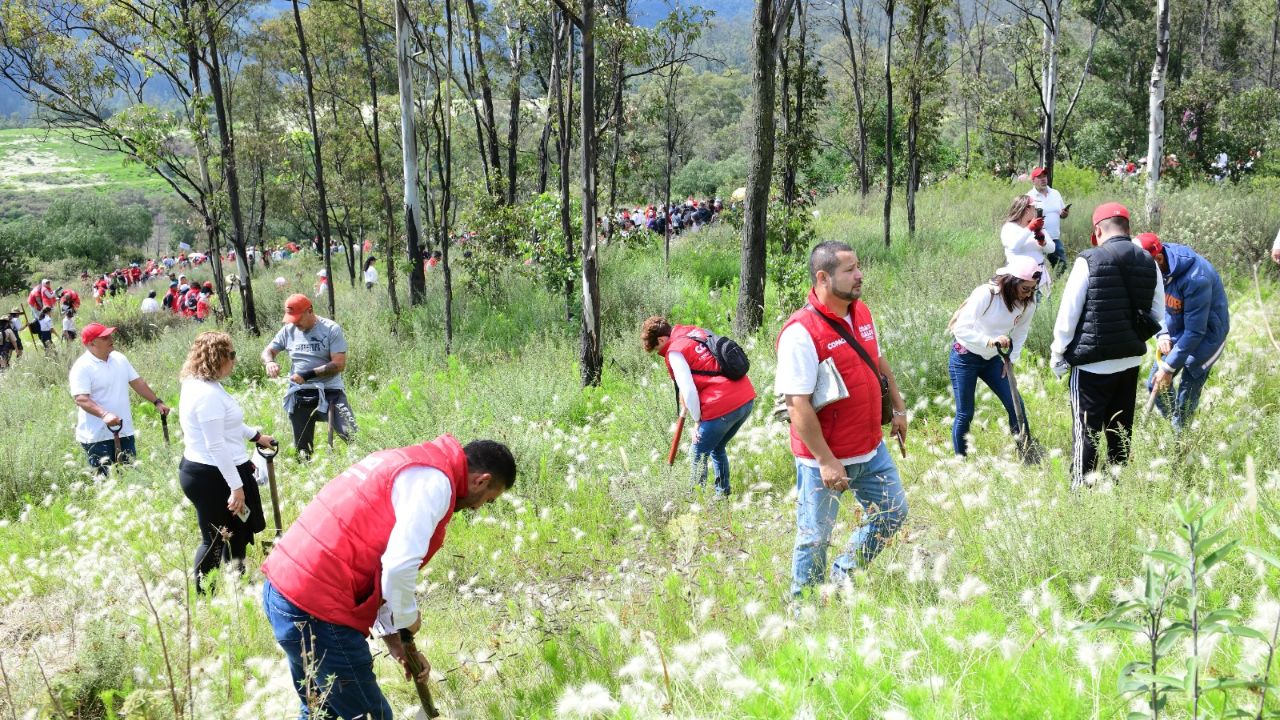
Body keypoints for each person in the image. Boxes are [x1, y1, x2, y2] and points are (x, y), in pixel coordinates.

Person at [261, 435, 515, 719]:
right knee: (370, 716)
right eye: (488, 500)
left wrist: (396, 640)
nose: (479, 507)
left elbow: (376, 564)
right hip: (316, 609)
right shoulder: (436, 484)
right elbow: (397, 566)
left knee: (322, 711)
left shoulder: (408, 461)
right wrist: (407, 619)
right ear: (482, 480)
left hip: (282, 590)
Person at [777, 241, 909, 596]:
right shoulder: (801, 332)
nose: (859, 275)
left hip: (870, 449)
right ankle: (803, 609)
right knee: (814, 538)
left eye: (858, 267)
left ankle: (844, 573)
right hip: (826, 460)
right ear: (823, 277)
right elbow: (796, 404)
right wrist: (826, 460)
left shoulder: (862, 312)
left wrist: (897, 407)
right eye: (850, 270)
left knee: (893, 511)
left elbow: (878, 362)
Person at [1051, 203, 1164, 489]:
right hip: (1129, 363)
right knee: (1120, 432)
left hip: (1091, 366)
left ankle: (1080, 495)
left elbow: (1068, 314)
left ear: (1098, 230)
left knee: (1086, 434)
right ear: (1128, 228)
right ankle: (1117, 490)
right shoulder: (1149, 262)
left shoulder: (1088, 259)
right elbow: (1157, 315)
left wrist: (1058, 353)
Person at [177, 332, 275, 593]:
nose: (235, 360)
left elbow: (228, 424)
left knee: (236, 533)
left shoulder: (202, 384)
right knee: (215, 539)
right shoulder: (206, 395)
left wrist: (255, 435)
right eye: (231, 355)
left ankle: (239, 583)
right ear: (216, 357)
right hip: (213, 475)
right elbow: (215, 445)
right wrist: (236, 486)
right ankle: (204, 596)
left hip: (216, 470)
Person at [640, 317, 756, 496]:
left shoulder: (674, 352)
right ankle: (722, 496)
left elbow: (689, 391)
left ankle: (696, 503)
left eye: (657, 348)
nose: (659, 352)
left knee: (696, 453)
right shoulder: (692, 332)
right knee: (717, 446)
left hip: (723, 405)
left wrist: (697, 422)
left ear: (662, 340)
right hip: (746, 398)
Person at [1133, 233, 1230, 431]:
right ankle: (1177, 429)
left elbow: (1195, 331)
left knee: (1186, 395)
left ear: (1159, 258)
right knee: (1155, 386)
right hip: (1180, 330)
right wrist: (1164, 334)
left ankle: (1180, 439)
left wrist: (1168, 370)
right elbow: (1157, 305)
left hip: (1206, 339)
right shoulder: (1154, 267)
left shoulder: (1196, 278)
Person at [947, 256, 1041, 457]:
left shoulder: (1028, 305)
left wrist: (1010, 360)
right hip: (965, 357)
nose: (1029, 294)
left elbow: (1020, 333)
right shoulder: (986, 294)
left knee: (1016, 404)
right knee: (966, 413)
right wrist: (989, 341)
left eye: (1033, 289)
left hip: (992, 360)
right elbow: (960, 328)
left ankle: (1026, 452)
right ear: (1011, 281)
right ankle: (960, 461)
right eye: (1025, 288)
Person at [69, 323, 171, 475]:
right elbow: (81, 399)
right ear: (91, 343)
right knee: (105, 481)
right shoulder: (82, 367)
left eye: (109, 335)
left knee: (130, 476)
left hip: (124, 431)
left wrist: (157, 401)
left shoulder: (119, 359)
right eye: (104, 337)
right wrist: (104, 414)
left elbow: (137, 382)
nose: (110, 339)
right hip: (97, 437)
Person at [261, 294, 357, 456]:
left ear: (310, 311)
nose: (295, 322)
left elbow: (339, 364)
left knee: (350, 434)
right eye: (291, 318)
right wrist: (269, 362)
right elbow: (267, 351)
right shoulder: (288, 330)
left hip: (329, 391)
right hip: (300, 393)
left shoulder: (330, 329)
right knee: (303, 450)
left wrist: (307, 374)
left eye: (298, 317)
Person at [1000, 196, 1052, 295]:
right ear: (1027, 209)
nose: (1035, 211)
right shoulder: (1009, 227)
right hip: (1019, 277)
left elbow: (1052, 249)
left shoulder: (1037, 226)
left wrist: (1043, 242)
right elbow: (1013, 245)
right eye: (1034, 208)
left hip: (1039, 275)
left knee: (1043, 306)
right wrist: (1030, 228)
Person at [1026, 167, 1069, 268]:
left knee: (1061, 268)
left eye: (1044, 176)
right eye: (1039, 177)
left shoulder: (1055, 193)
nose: (1043, 179)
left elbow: (1061, 213)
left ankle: (1058, 284)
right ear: (1033, 181)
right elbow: (1025, 219)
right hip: (1036, 239)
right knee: (1035, 270)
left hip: (1054, 239)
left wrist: (1064, 214)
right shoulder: (1029, 197)